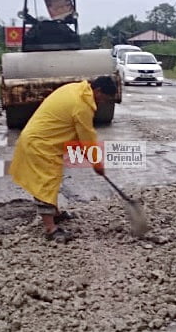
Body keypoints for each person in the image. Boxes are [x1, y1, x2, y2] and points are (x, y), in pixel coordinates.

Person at [9, 76, 116, 241]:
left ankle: (56, 214)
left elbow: (79, 136)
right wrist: (97, 162)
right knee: (46, 183)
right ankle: (50, 229)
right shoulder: (82, 105)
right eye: (104, 98)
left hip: (41, 140)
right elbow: (87, 137)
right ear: (98, 90)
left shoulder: (75, 89)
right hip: (41, 145)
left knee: (53, 179)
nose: (102, 103)